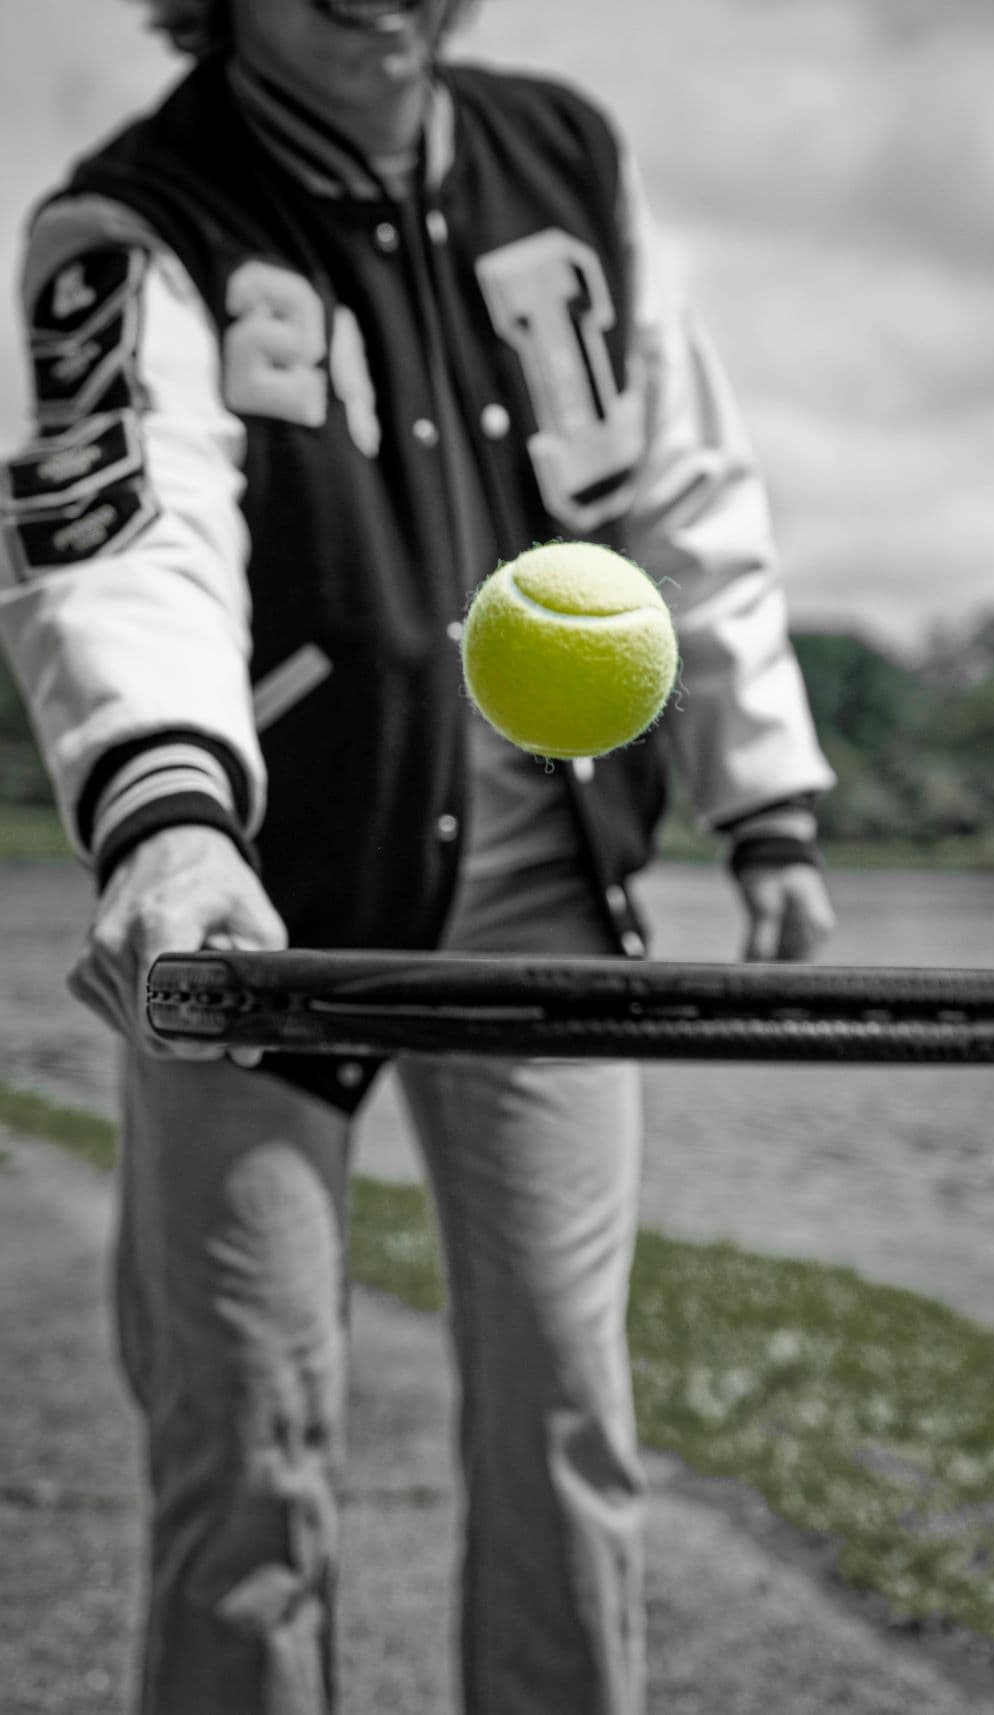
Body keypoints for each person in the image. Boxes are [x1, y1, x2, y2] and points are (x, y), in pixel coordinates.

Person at [0, 1, 837, 1710]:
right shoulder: (129, 217)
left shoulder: (567, 155)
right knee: (243, 1442)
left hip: (545, 909)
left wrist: (765, 803)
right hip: (256, 923)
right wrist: (167, 815)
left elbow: (690, 487)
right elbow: (128, 524)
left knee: (570, 1421)